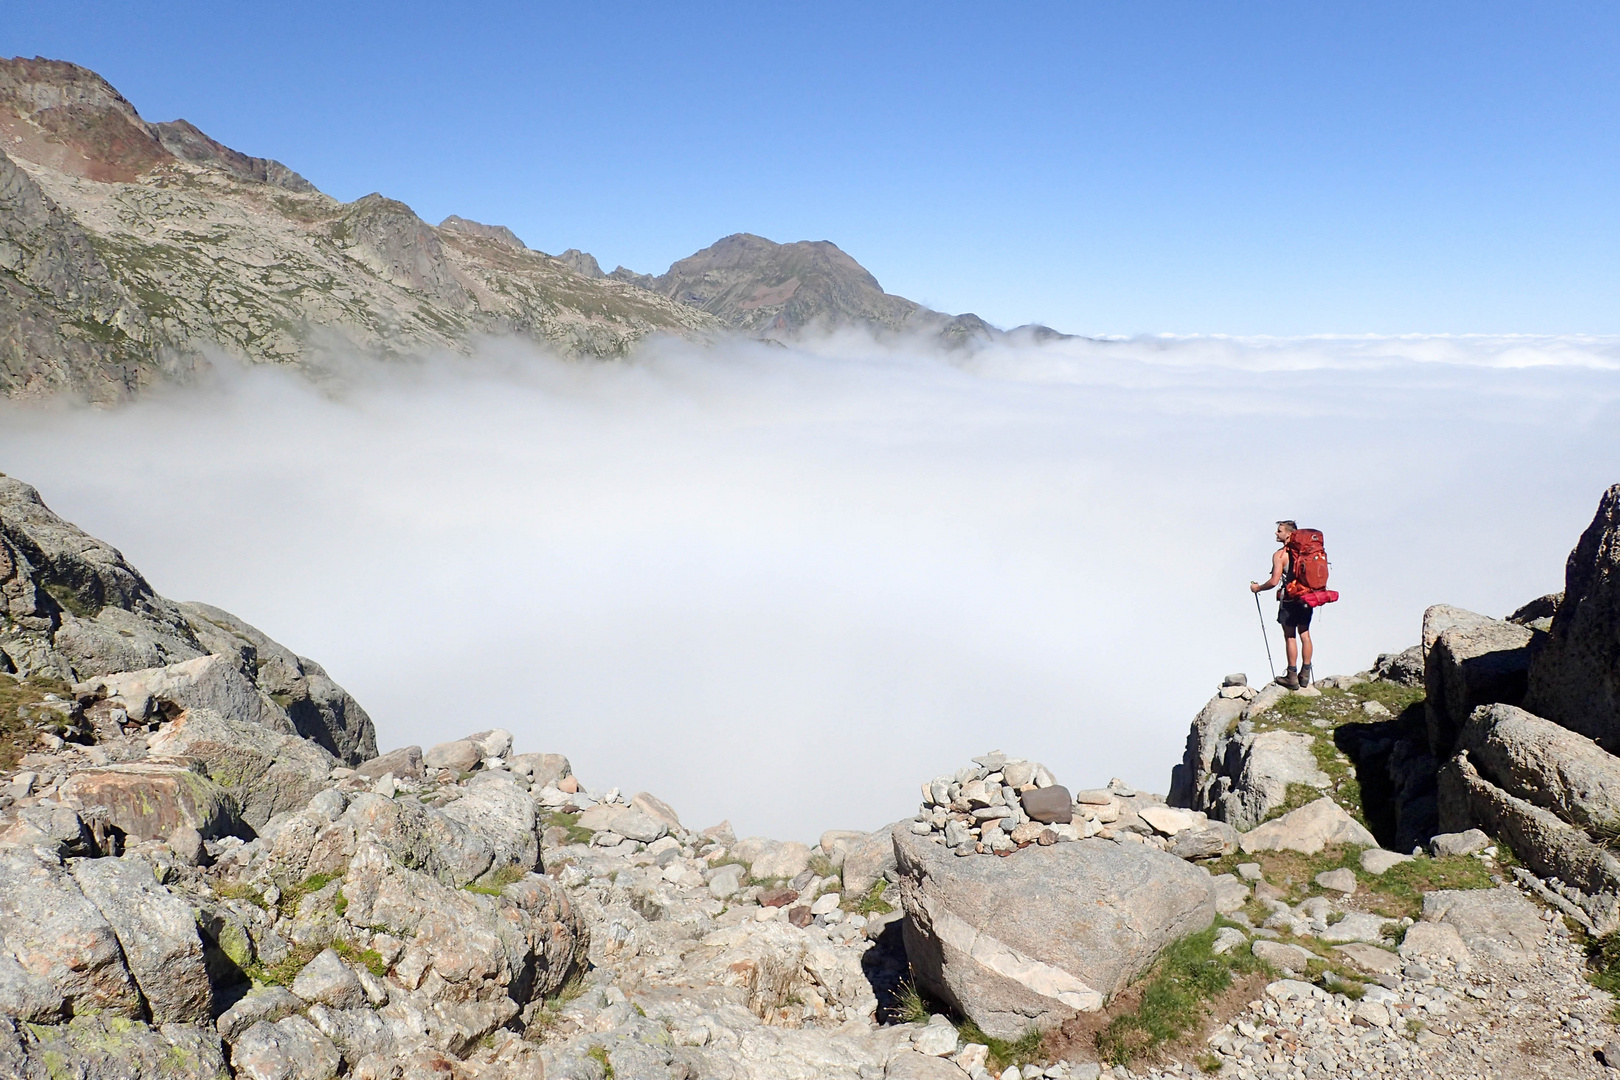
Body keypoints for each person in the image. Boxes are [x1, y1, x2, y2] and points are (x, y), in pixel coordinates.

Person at [1250, 519, 1313, 689]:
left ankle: (1292, 676)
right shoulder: (1307, 552)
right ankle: (1305, 674)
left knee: (1290, 636)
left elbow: (1273, 581)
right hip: (1307, 598)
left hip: (1290, 600)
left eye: (1279, 531)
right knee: (1305, 635)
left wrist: (1258, 588)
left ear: (1288, 534)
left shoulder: (1280, 555)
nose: (1276, 534)